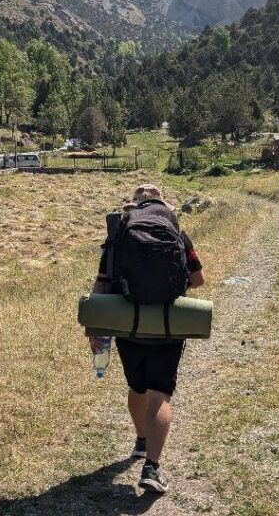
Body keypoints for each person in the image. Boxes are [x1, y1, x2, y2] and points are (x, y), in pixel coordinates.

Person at [90, 184, 205, 495]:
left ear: (134, 205)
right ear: (163, 204)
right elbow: (198, 279)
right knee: (160, 394)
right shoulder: (176, 232)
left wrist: (96, 330)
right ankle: (152, 468)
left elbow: (102, 284)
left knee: (137, 387)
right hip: (167, 327)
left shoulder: (119, 233)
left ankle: (141, 439)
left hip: (128, 325)